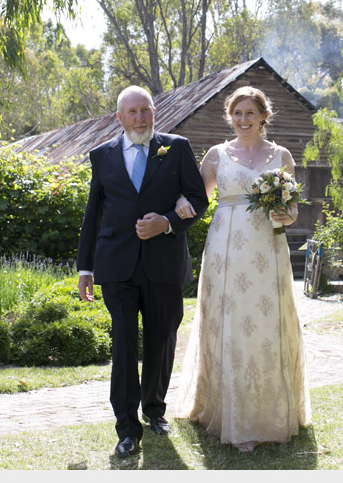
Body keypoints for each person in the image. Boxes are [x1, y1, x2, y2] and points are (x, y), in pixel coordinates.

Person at [173, 86, 311, 452]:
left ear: (263, 116)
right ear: (229, 117)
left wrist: (287, 214)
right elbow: (198, 198)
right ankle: (223, 408)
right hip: (226, 248)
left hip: (268, 245)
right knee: (229, 321)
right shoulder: (217, 155)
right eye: (237, 114)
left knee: (266, 322)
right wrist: (181, 200)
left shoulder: (281, 156)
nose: (243, 120)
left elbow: (292, 209)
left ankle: (270, 411)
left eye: (250, 113)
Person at [76, 85, 209, 459]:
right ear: (119, 118)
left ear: (154, 112)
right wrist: (85, 267)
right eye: (132, 112)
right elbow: (93, 214)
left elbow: (198, 199)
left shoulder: (176, 148)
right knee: (123, 343)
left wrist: (166, 222)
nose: (139, 118)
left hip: (164, 264)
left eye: (145, 111)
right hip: (116, 265)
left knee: (162, 338)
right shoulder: (101, 156)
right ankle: (126, 429)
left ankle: (154, 409)